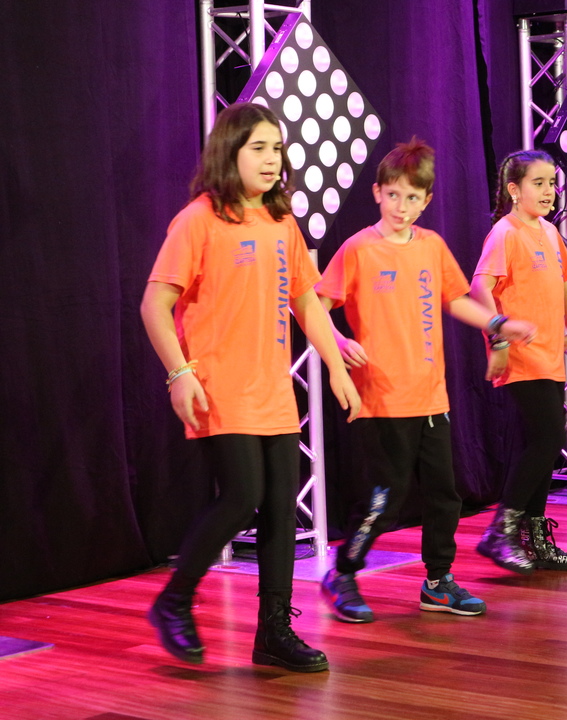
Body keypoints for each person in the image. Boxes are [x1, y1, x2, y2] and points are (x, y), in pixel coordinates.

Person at [141, 102, 362, 673]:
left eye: (277, 148)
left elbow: (306, 299)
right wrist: (179, 373)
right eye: (258, 148)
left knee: (281, 509)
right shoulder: (198, 220)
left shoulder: (281, 222)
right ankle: (174, 601)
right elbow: (155, 304)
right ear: (229, 152)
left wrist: (337, 365)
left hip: (273, 390)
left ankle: (274, 631)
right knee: (242, 497)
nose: (271, 159)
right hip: (220, 385)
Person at [315, 138, 535, 623]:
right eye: (393, 195)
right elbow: (314, 304)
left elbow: (455, 299)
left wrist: (498, 325)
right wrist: (338, 340)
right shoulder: (359, 249)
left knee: (445, 495)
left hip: (431, 398)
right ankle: (344, 571)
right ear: (377, 193)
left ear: (426, 201)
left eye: (412, 197)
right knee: (384, 499)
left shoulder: (432, 246)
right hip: (381, 400)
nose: (401, 206)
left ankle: (438, 582)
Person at [470, 149, 567, 575]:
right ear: (514, 190)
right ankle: (500, 531)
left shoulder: (550, 233)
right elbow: (479, 288)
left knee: (540, 443)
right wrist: (498, 338)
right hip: (522, 355)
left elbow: (562, 283)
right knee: (548, 438)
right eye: (538, 183)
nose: (549, 191)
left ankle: (536, 541)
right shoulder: (505, 233)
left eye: (552, 183)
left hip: (550, 354)